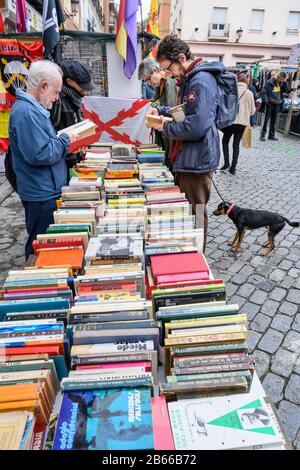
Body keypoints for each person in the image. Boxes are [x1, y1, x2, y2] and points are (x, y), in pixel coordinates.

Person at [146, 35, 223, 251]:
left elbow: (196, 126)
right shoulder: (190, 79)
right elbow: (184, 113)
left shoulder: (201, 81)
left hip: (197, 161)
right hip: (190, 157)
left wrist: (165, 127)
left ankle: (197, 257)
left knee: (196, 212)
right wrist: (161, 111)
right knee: (189, 210)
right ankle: (189, 251)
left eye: (168, 68)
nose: (168, 74)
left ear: (181, 57)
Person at [8, 60, 78, 260]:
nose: (56, 98)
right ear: (43, 86)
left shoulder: (31, 109)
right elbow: (39, 154)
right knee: (40, 246)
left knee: (47, 245)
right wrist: (64, 141)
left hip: (46, 189)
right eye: (55, 92)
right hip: (41, 192)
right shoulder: (26, 112)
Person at [51, 59, 95, 169]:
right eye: (82, 86)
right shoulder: (56, 101)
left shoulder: (74, 97)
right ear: (69, 81)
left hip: (74, 157)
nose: (85, 90)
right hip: (63, 163)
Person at [139, 58, 177, 168]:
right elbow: (157, 102)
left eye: (147, 79)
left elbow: (171, 108)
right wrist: (152, 109)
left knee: (170, 163)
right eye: (146, 81)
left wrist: (156, 110)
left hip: (168, 131)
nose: (148, 82)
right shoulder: (158, 85)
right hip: (162, 131)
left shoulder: (168, 83)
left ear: (155, 71)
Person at [220, 70, 255, 175]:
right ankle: (233, 168)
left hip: (230, 121)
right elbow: (252, 111)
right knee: (236, 145)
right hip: (242, 123)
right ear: (246, 81)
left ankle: (226, 163)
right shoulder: (249, 93)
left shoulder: (231, 90)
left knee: (225, 141)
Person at [260, 71, 288, 141]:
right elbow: (263, 92)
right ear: (278, 77)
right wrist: (266, 102)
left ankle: (271, 135)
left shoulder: (282, 83)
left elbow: (286, 90)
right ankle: (262, 135)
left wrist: (284, 82)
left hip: (277, 103)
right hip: (270, 103)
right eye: (281, 79)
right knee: (266, 120)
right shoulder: (269, 82)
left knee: (274, 120)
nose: (281, 80)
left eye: (283, 79)